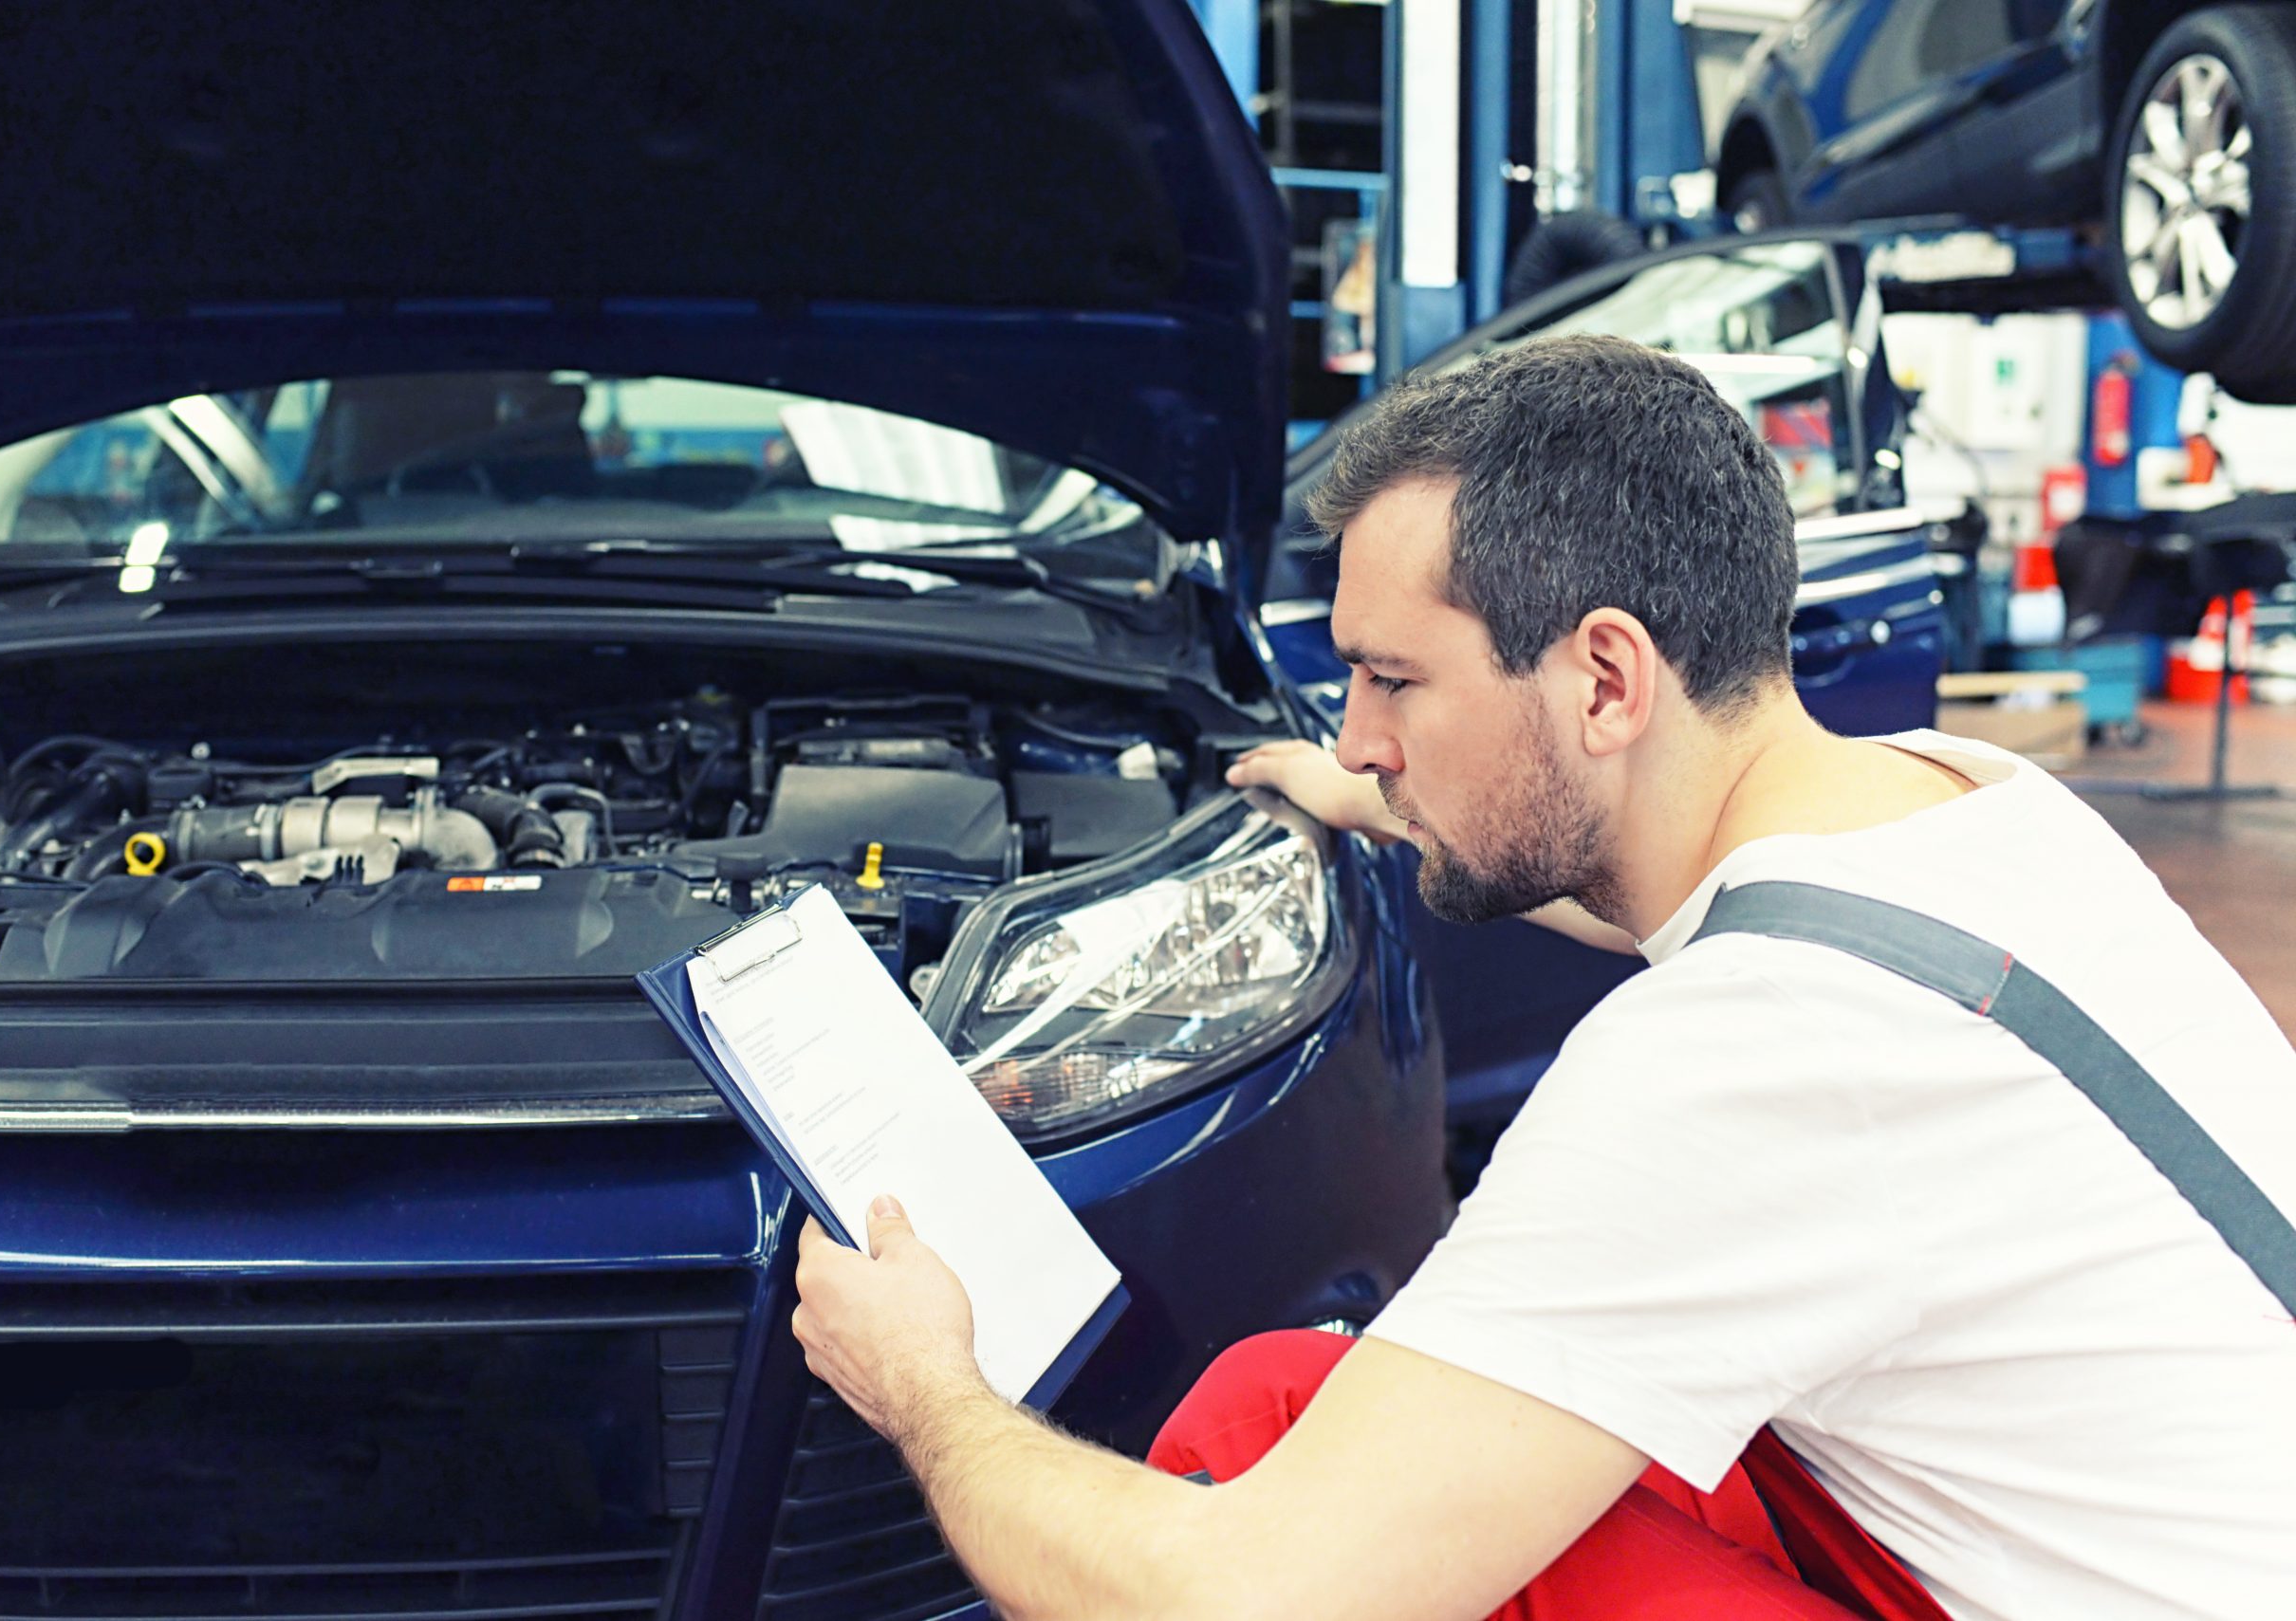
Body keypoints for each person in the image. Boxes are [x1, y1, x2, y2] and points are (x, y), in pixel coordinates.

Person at [792, 334, 2296, 1620]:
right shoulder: (1960, 800)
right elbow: (1656, 886)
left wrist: (932, 1384)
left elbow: (1236, 1595)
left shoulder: (1736, 1056)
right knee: (1285, 1398)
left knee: (1272, 1487)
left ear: (1604, 678)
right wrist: (1368, 793)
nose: (1364, 730)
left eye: (1394, 679)